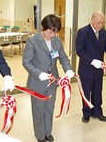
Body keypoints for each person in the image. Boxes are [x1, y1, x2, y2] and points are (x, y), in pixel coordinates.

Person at [22, 14, 74, 142]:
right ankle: (40, 135)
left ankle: (47, 132)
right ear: (43, 27)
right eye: (50, 31)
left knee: (49, 108)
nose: (52, 34)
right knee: (38, 110)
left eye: (55, 32)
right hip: (37, 82)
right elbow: (26, 62)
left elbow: (63, 57)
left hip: (52, 81)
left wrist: (68, 69)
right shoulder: (33, 41)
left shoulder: (57, 41)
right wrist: (39, 73)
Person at [76, 11, 106, 123]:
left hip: (98, 69)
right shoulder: (83, 32)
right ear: (92, 20)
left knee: (97, 92)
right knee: (86, 93)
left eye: (103, 23)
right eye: (98, 23)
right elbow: (80, 51)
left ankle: (97, 112)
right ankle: (86, 113)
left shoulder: (103, 32)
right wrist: (92, 61)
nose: (100, 25)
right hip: (86, 69)